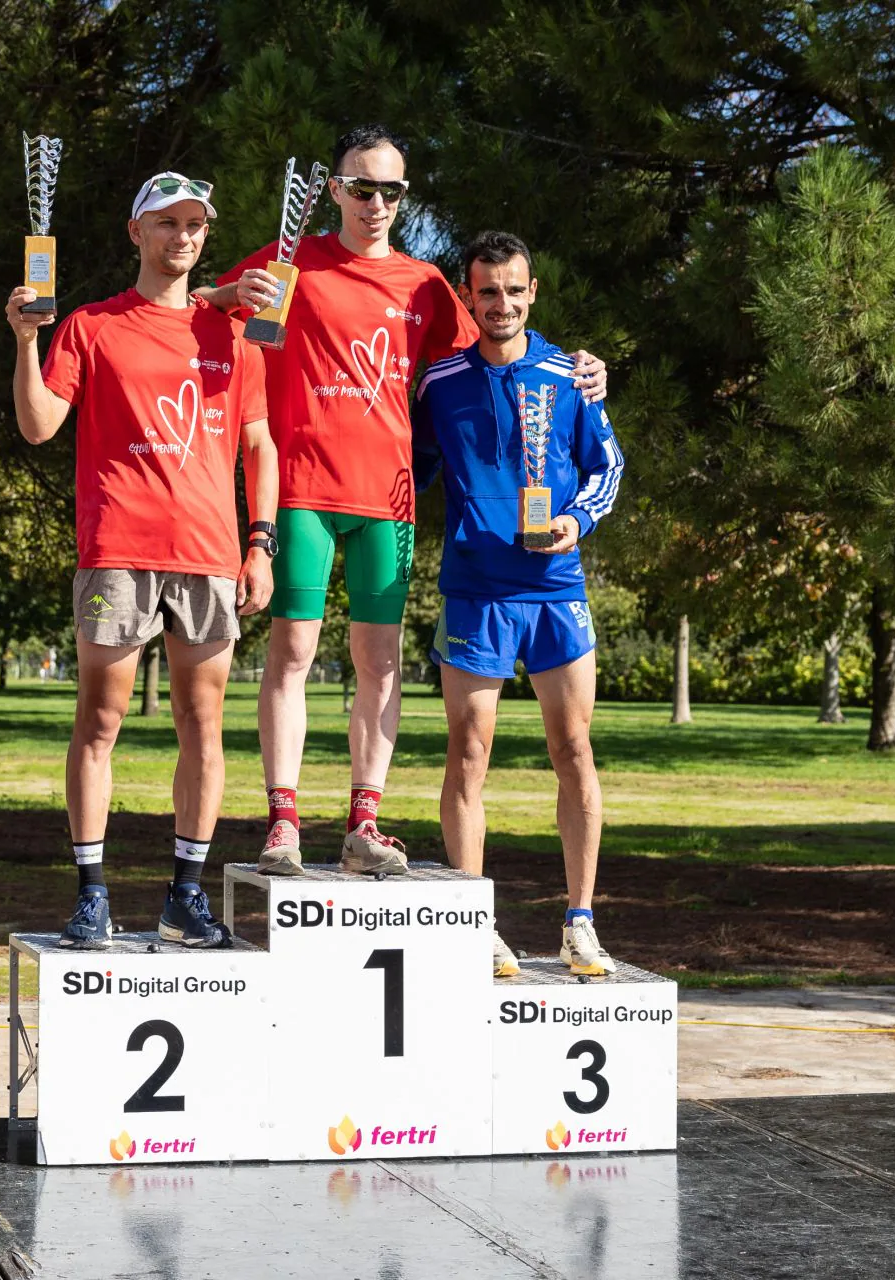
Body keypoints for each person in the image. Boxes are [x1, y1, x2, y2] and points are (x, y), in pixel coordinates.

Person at [197, 124, 606, 875]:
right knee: (292, 653)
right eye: (361, 187)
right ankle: (283, 824)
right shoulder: (292, 260)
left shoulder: (424, 284)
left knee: (379, 663)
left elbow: (499, 341)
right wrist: (228, 291)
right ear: (333, 190)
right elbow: (197, 310)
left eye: (391, 190)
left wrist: (581, 369)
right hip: (301, 492)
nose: (376, 202)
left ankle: (363, 823)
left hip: (388, 499)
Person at [8, 170, 278, 949]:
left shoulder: (235, 330)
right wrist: (26, 340)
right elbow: (37, 426)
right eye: (167, 223)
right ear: (137, 233)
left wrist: (260, 543)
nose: (182, 237)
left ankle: (184, 896)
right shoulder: (91, 325)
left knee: (204, 726)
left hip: (209, 554)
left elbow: (258, 444)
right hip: (120, 550)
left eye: (195, 226)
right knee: (100, 720)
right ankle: (92, 893)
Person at [412, 230, 625, 977]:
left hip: (555, 585)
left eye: (514, 290)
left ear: (533, 292)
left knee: (573, 751)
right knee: (469, 753)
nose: (501, 304)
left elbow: (609, 465)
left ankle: (580, 921)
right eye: (487, 292)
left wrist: (577, 521)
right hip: (476, 587)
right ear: (467, 298)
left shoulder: (571, 375)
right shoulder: (439, 382)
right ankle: (477, 922)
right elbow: (409, 467)